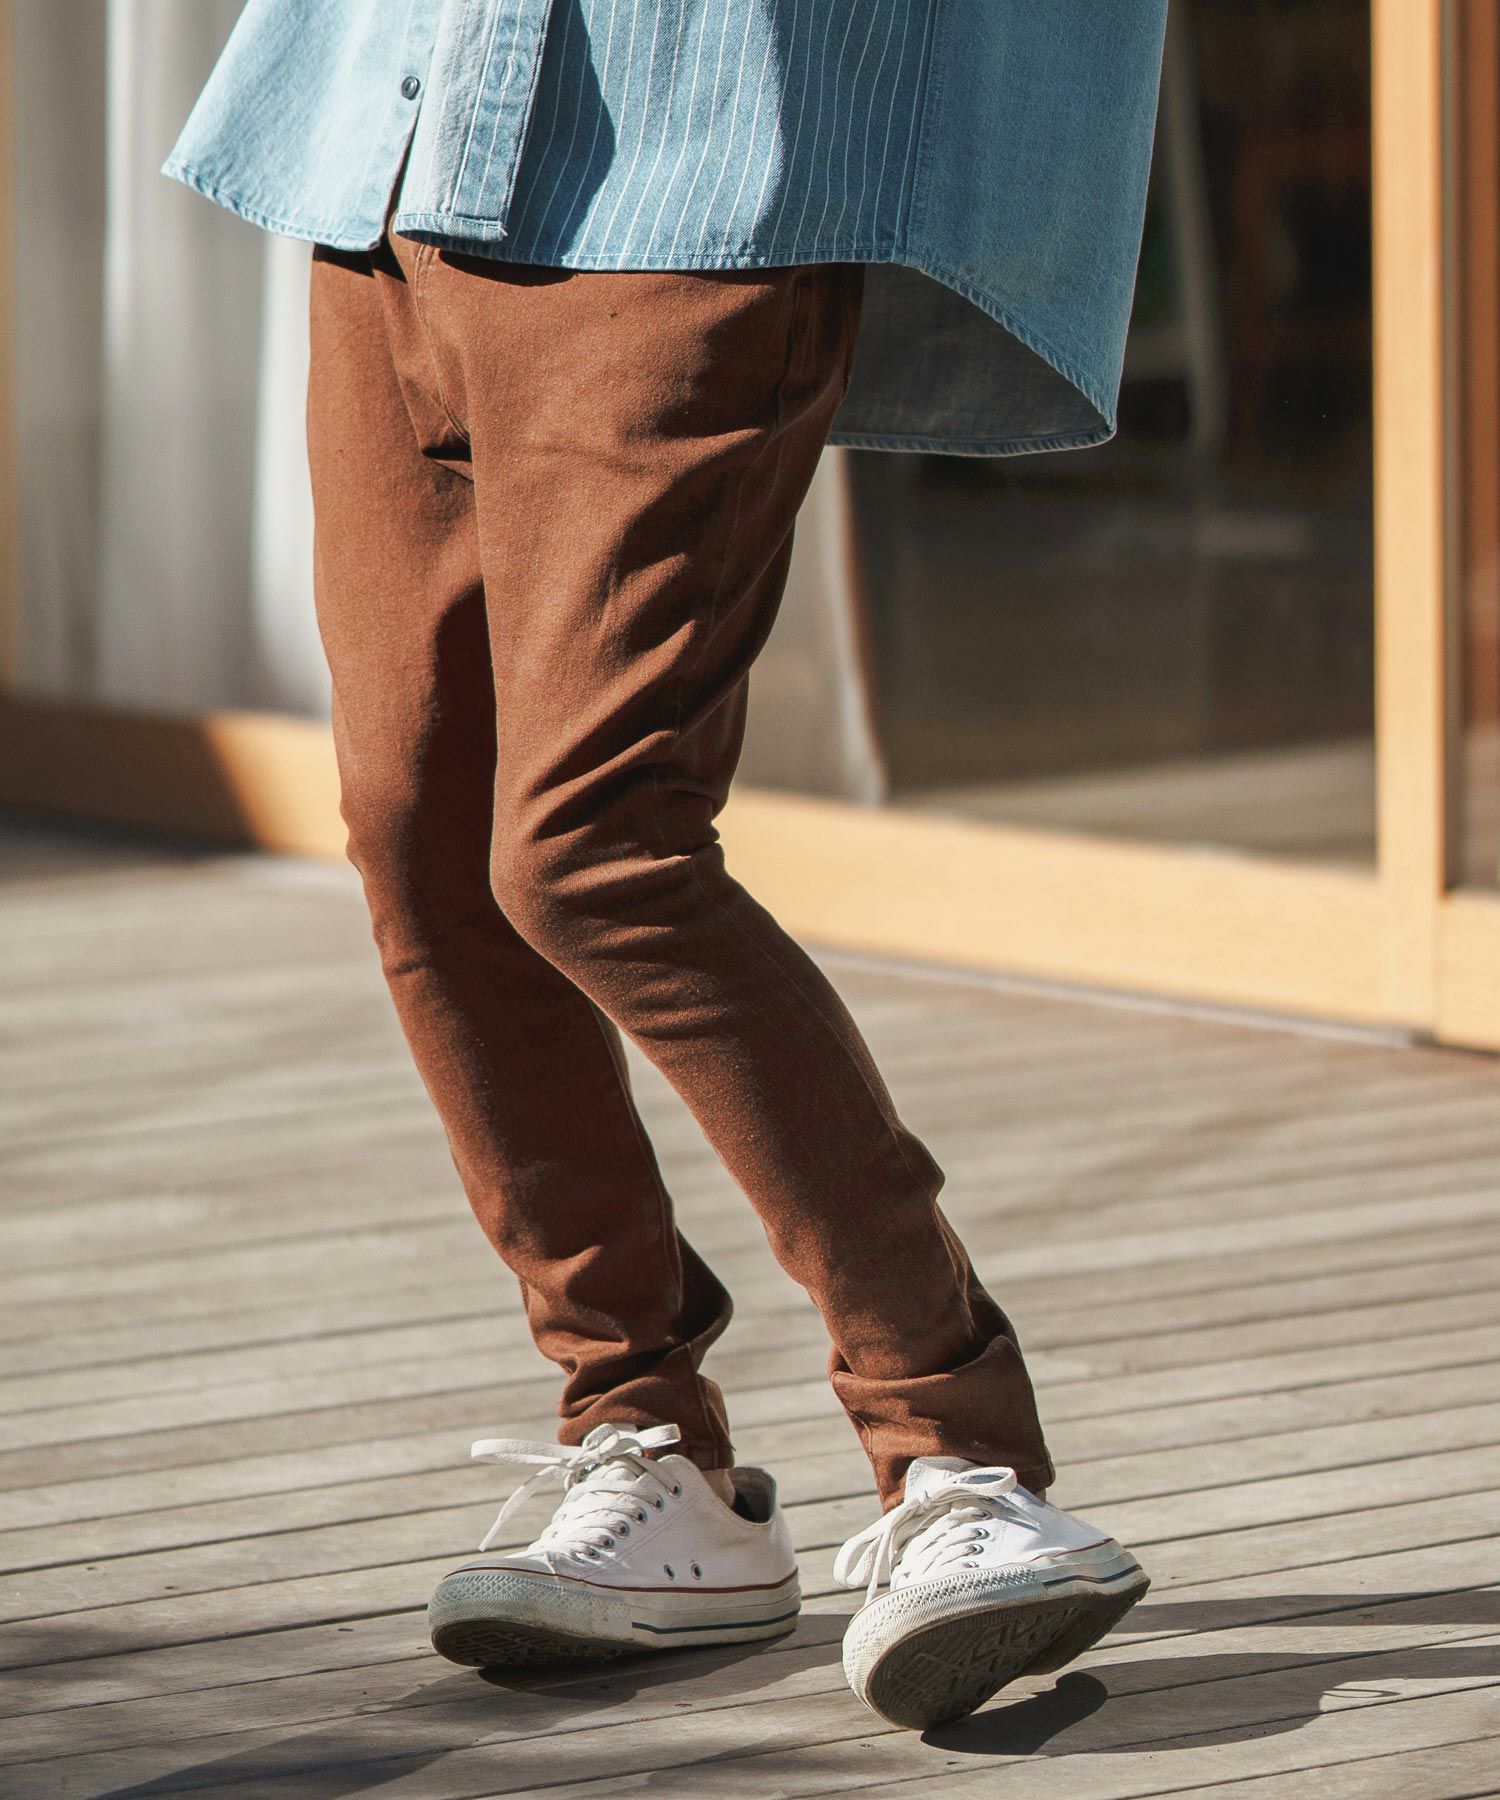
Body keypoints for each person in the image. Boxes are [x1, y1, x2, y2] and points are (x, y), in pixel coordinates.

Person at [165, 0, 1168, 1732]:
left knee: (590, 839)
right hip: (390, 145)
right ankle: (646, 1442)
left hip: (695, 169)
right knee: (419, 838)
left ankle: (960, 1452)